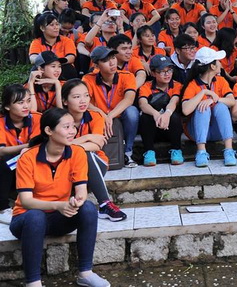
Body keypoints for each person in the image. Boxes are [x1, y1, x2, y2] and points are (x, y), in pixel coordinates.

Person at [9, 108, 110, 287]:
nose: (72, 131)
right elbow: (26, 201)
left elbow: (81, 190)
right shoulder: (28, 158)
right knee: (35, 216)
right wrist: (58, 205)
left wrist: (76, 201)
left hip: (59, 217)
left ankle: (85, 273)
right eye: (66, 127)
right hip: (25, 220)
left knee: (87, 208)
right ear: (49, 130)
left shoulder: (77, 153)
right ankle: (33, 282)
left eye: (73, 127)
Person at [62, 79, 127, 222]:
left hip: (96, 164)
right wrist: (88, 137)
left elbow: (97, 145)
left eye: (86, 96)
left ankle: (104, 204)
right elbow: (53, 145)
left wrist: (67, 145)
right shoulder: (59, 119)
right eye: (76, 97)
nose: (83, 100)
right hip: (66, 166)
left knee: (84, 153)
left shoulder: (95, 116)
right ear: (65, 101)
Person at [82, 46, 139, 168]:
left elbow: (129, 99)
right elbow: (85, 102)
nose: (112, 62)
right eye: (105, 60)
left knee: (132, 112)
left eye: (113, 57)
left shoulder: (127, 76)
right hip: (99, 116)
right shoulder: (88, 79)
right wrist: (102, 114)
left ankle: (128, 153)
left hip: (120, 114)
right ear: (96, 66)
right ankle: (98, 153)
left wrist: (110, 116)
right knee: (86, 113)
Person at [0, 85, 41, 225]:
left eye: (28, 101)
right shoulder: (1, 122)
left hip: (34, 160)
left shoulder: (37, 118)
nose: (26, 106)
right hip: (11, 165)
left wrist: (28, 149)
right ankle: (2, 208)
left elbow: (40, 144)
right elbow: (1, 151)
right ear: (7, 106)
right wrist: (27, 146)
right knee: (5, 163)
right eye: (20, 102)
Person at [138, 55, 184, 166]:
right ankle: (149, 151)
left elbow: (174, 101)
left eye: (169, 70)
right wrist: (156, 114)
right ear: (153, 73)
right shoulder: (146, 86)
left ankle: (176, 150)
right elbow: (143, 104)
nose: (167, 74)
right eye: (162, 71)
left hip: (170, 128)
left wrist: (167, 114)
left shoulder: (177, 85)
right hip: (153, 127)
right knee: (145, 117)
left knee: (174, 116)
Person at [29, 12, 77, 80]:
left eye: (57, 24)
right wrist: (48, 64)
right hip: (45, 69)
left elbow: (71, 57)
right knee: (35, 69)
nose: (56, 27)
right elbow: (33, 58)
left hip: (63, 68)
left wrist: (56, 64)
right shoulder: (36, 42)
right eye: (52, 25)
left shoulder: (67, 41)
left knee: (68, 68)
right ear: (42, 28)